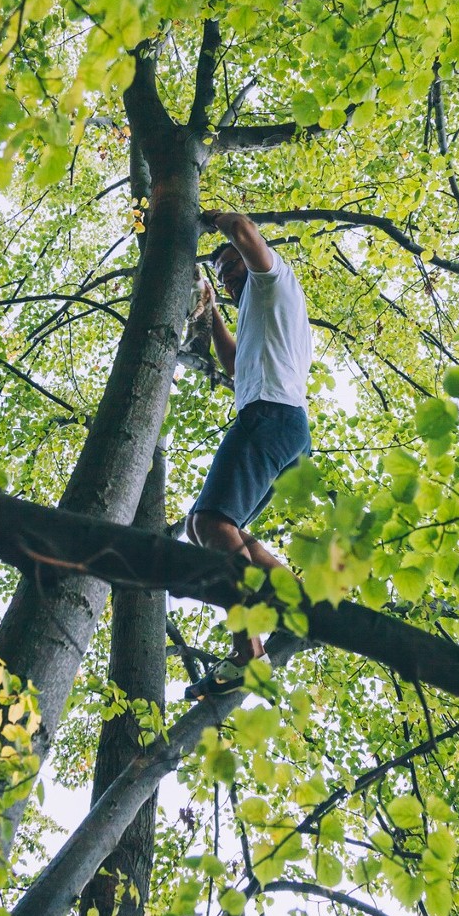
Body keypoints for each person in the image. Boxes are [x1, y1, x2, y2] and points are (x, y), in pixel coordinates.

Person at [184, 209, 312, 700]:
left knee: (211, 526)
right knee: (217, 529)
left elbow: (242, 229)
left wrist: (208, 217)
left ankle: (248, 652)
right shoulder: (260, 314)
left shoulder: (274, 280)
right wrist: (211, 310)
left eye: (231, 268)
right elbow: (235, 364)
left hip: (270, 417)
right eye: (222, 277)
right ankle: (296, 605)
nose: (230, 278)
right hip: (286, 428)